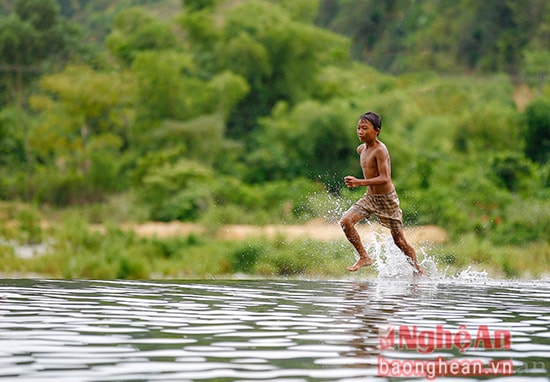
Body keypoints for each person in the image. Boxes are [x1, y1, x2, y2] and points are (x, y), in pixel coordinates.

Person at [339, 111, 425, 276]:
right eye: (358, 128)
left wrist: (359, 182)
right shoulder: (361, 149)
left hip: (387, 199)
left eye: (364, 128)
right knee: (345, 222)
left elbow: (385, 178)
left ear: (376, 130)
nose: (360, 132)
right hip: (370, 198)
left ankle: (418, 270)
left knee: (399, 241)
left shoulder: (381, 150)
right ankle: (364, 256)